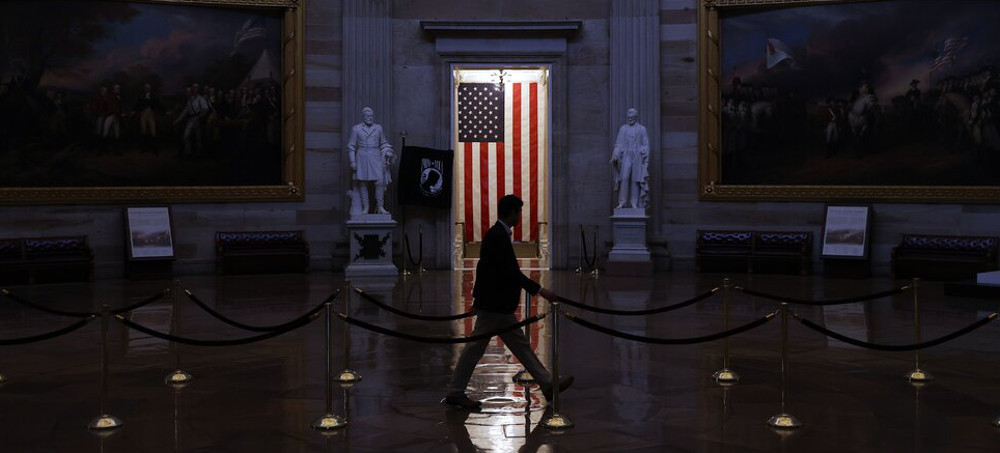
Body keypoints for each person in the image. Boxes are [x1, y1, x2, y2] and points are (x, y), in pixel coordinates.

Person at [443, 194, 573, 411]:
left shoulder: (498, 234)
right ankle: (455, 392)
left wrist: (477, 299)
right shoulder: (497, 235)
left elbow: (486, 269)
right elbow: (505, 272)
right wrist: (540, 290)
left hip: (498, 306)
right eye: (519, 211)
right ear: (511, 212)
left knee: (520, 348)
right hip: (495, 306)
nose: (520, 216)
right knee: (475, 349)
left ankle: (548, 384)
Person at [346, 107, 394, 215]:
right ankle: (365, 207)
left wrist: (387, 151)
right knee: (363, 183)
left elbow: (383, 143)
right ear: (363, 117)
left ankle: (381, 207)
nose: (370, 118)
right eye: (367, 116)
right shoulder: (356, 129)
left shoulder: (378, 128)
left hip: (375, 157)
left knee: (379, 181)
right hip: (362, 157)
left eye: (371, 116)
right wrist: (352, 161)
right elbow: (351, 146)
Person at [610, 108, 650, 209]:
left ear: (635, 117)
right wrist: (615, 154)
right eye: (628, 117)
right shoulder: (623, 129)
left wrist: (644, 150)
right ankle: (622, 202)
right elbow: (618, 144)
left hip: (637, 156)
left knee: (635, 180)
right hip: (626, 155)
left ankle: (634, 202)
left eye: (632, 117)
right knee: (624, 178)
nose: (630, 119)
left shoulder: (642, 129)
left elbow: (646, 144)